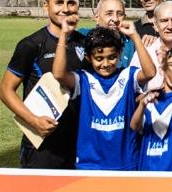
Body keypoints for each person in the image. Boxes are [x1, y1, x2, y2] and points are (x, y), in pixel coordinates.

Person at [0, 0, 87, 169]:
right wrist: (33, 121)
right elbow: (6, 90)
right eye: (59, 3)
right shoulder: (31, 45)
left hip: (80, 141)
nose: (65, 8)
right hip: (42, 144)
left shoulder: (84, 43)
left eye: (71, 3)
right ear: (46, 6)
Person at [52, 18, 155, 170]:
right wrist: (63, 36)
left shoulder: (128, 75)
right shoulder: (83, 79)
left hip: (125, 163)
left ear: (119, 54)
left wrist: (135, 36)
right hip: (90, 164)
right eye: (99, 59)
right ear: (88, 58)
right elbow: (59, 74)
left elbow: (150, 72)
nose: (106, 64)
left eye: (112, 57)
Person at [130, 46, 172, 171]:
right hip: (147, 169)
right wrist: (142, 105)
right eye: (171, 65)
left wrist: (166, 67)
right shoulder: (149, 96)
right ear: (160, 70)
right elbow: (134, 126)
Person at [84, 0, 136, 70]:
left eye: (120, 14)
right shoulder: (82, 36)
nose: (115, 19)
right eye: (109, 13)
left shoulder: (131, 42)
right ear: (97, 17)